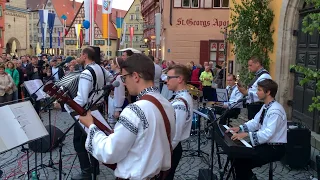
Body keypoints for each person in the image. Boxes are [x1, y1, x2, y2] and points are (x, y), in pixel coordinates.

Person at [79, 53, 176, 180]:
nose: (124, 83)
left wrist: (91, 127)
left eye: (124, 78)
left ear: (135, 76)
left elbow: (110, 152)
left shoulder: (134, 110)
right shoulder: (167, 104)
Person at [66, 47, 113, 180]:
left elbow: (82, 98)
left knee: (79, 142)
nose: (79, 58)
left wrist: (67, 106)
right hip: (97, 108)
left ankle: (86, 171)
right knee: (92, 137)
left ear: (85, 56)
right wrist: (100, 93)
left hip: (85, 111)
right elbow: (110, 78)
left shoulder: (86, 73)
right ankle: (95, 168)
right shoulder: (101, 68)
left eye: (80, 55)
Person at [226, 79, 287, 180]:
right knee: (236, 155)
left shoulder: (276, 110)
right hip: (265, 144)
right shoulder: (266, 106)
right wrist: (240, 128)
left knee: (241, 161)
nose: (256, 92)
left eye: (259, 90)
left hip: (274, 148)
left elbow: (268, 133)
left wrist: (246, 135)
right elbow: (255, 122)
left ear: (268, 92)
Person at [165, 64, 193, 180]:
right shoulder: (180, 97)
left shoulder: (180, 103)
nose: (166, 81)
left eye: (169, 78)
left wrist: (166, 152)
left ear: (180, 79)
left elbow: (176, 133)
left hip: (172, 148)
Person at [107, 57, 128, 128]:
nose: (111, 65)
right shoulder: (117, 75)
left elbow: (120, 92)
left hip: (116, 102)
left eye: (112, 63)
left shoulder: (119, 76)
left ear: (116, 65)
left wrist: (117, 109)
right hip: (113, 100)